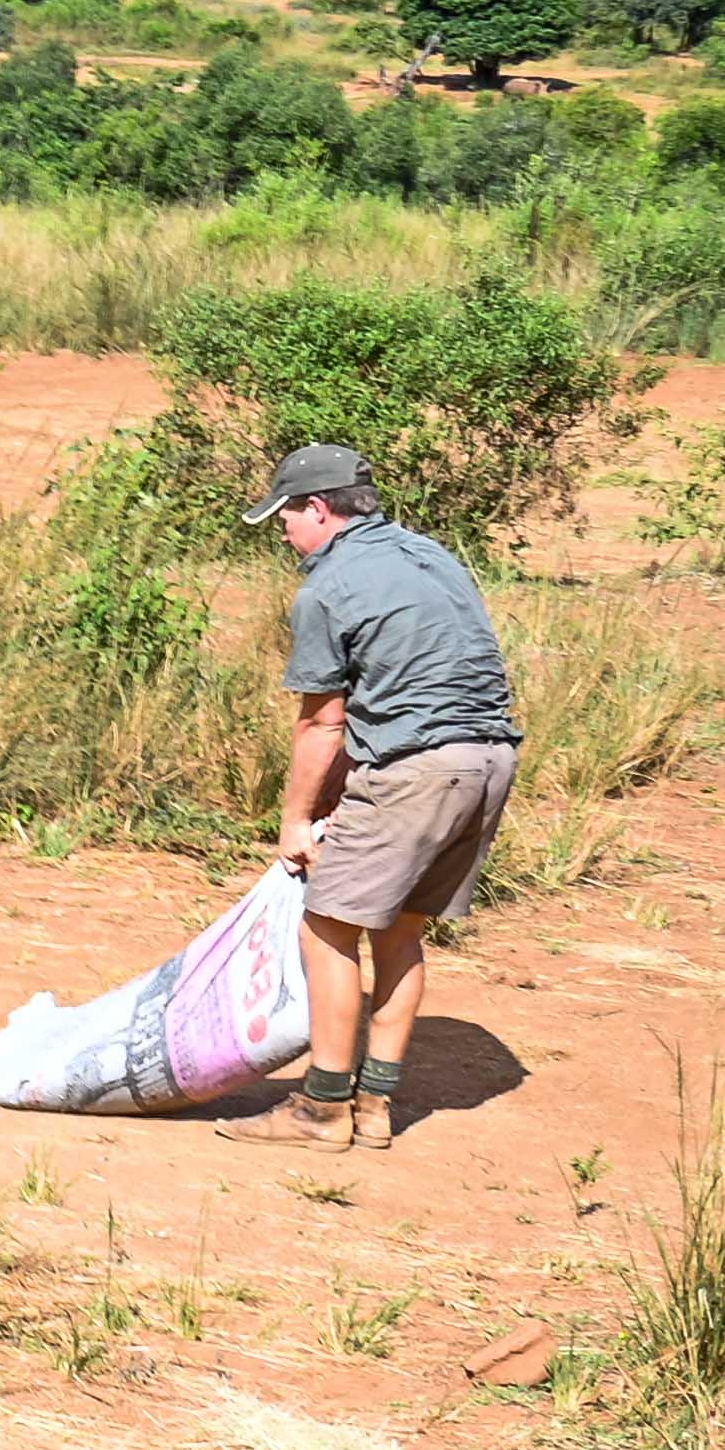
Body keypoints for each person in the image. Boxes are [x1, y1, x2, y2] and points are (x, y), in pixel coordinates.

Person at [249, 441, 518, 1149]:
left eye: (285, 515)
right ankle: (375, 1106)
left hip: (419, 769)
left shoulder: (326, 588)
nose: (282, 531)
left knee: (327, 925)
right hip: (489, 759)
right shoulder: (433, 556)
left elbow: (323, 722)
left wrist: (297, 821)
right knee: (399, 927)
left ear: (318, 509)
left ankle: (321, 1109)